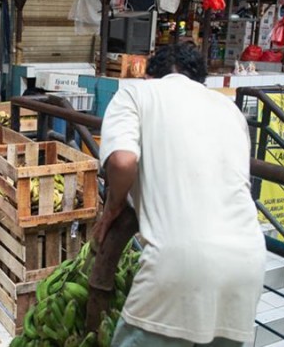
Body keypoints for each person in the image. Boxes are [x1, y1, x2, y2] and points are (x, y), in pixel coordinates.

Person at [96, 43, 266, 347]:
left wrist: (113, 207)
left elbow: (123, 161)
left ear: (149, 76)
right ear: (201, 81)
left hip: (179, 266)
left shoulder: (136, 94)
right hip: (247, 264)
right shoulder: (229, 109)